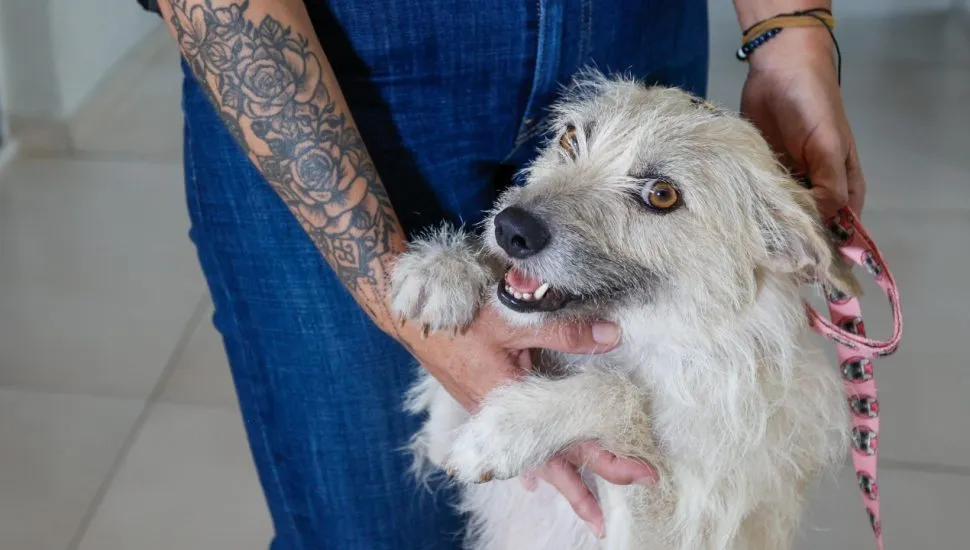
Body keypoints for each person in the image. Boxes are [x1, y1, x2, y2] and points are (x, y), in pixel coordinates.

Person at [139, 0, 868, 548]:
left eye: (659, 196)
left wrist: (790, 30)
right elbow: (446, 440)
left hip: (630, 30)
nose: (531, 209)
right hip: (331, 59)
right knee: (367, 527)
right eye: (571, 144)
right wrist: (415, 283)